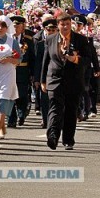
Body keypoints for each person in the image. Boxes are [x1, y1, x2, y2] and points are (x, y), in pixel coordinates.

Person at [41, 14, 90, 150]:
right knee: (55, 108)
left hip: (74, 80)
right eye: (62, 24)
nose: (65, 27)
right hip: (54, 79)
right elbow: (45, 61)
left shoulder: (80, 40)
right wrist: (42, 80)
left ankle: (68, 140)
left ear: (71, 24)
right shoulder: (50, 39)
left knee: (70, 110)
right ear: (58, 26)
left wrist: (75, 59)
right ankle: (52, 136)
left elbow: (87, 60)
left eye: (68, 24)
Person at [0, 15, 21, 140]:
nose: (0, 28)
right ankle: (2, 127)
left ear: (7, 28)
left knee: (3, 100)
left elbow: (19, 60)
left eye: (3, 26)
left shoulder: (13, 42)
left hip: (8, 74)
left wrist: (9, 59)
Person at [8, 15, 35, 128]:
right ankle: (11, 119)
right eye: (13, 25)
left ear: (22, 27)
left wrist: (33, 73)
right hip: (9, 70)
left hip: (23, 71)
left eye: (17, 25)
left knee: (22, 95)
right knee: (9, 96)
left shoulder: (28, 40)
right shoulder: (7, 39)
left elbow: (33, 57)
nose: (15, 27)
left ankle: (22, 113)